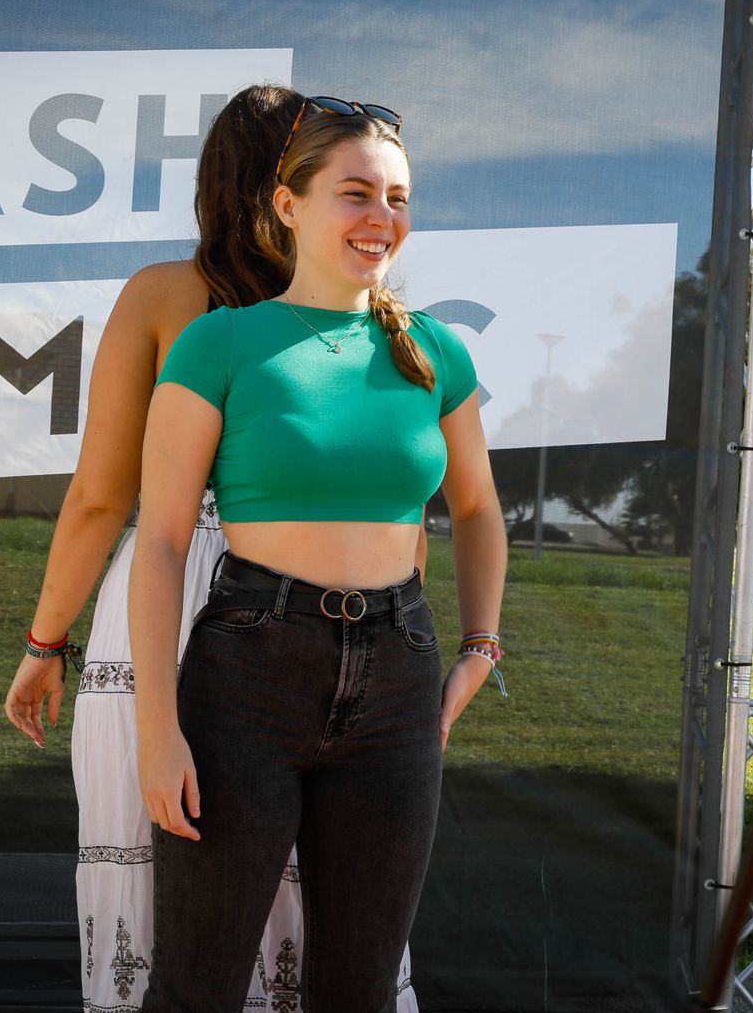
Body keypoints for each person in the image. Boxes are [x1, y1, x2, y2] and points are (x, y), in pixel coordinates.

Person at [2, 85, 427, 1011]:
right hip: (325, 604)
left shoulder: (165, 295)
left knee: (173, 863)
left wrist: (44, 644)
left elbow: (101, 497)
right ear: (298, 183)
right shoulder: (365, 306)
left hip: (179, 594)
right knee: (333, 899)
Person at [130, 98, 507, 1012]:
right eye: (356, 193)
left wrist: (479, 646)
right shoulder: (219, 342)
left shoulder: (433, 351)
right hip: (248, 673)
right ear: (288, 204)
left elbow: (480, 509)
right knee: (197, 987)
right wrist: (156, 728)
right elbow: (163, 540)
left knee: (360, 990)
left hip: (399, 678)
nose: (382, 218)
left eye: (398, 197)